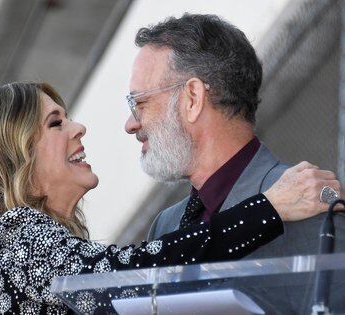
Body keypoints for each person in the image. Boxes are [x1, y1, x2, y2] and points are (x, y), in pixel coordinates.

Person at [0, 82, 339, 314]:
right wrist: (268, 209)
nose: (79, 128)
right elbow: (129, 276)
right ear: (15, 156)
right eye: (56, 123)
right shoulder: (14, 237)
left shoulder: (24, 247)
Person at [124, 14, 345, 257]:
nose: (130, 124)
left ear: (193, 98)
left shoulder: (312, 205)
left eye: (139, 102)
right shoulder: (165, 225)